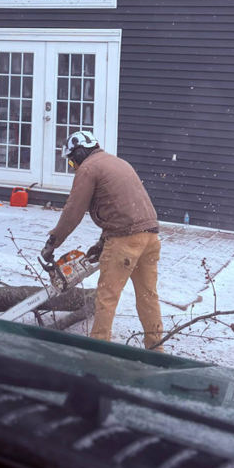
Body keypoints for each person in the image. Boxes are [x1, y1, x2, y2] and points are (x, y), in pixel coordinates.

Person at [41, 131, 163, 350]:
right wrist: (103, 241)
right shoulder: (118, 162)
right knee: (148, 296)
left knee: (107, 296)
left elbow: (73, 211)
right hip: (151, 236)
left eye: (71, 161)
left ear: (79, 153)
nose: (73, 166)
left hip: (126, 240)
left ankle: (98, 350)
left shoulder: (88, 168)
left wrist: (53, 241)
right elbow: (122, 207)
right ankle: (156, 348)